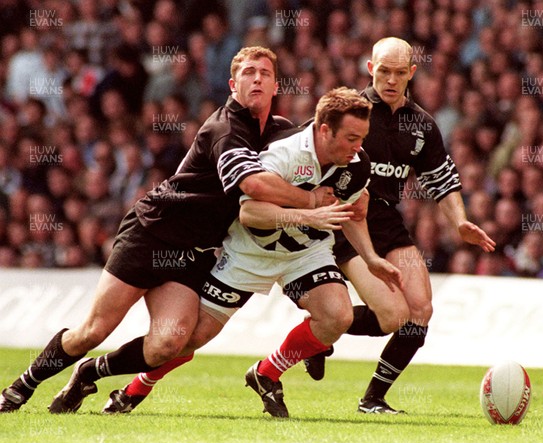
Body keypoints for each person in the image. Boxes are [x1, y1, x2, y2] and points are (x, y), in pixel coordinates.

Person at [0, 46, 336, 413]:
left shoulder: (281, 133)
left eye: (265, 74)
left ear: (275, 86)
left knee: (169, 343)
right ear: (232, 84)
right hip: (152, 232)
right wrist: (311, 203)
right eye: (249, 72)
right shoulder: (226, 128)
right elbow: (253, 185)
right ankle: (22, 386)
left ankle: (88, 374)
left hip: (194, 252)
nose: (257, 78)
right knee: (92, 331)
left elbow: (322, 144)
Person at [103, 87, 401, 419]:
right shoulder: (283, 154)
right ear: (324, 130)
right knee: (190, 338)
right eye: (350, 138)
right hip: (249, 252)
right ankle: (132, 389)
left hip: (305, 252)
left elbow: (354, 213)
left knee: (337, 316)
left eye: (362, 137)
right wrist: (307, 213)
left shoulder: (357, 164)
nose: (358, 147)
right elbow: (249, 214)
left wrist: (372, 258)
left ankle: (266, 373)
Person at [303, 37, 496, 414]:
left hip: (388, 220)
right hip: (345, 220)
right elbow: (308, 155)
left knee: (420, 309)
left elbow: (443, 180)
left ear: (412, 72)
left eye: (399, 72)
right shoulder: (352, 113)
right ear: (371, 69)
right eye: (383, 71)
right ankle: (321, 330)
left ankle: (372, 397)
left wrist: (460, 222)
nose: (390, 80)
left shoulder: (421, 125)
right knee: (392, 315)